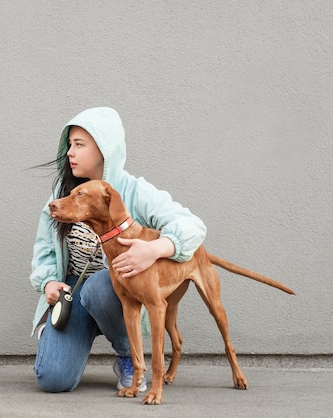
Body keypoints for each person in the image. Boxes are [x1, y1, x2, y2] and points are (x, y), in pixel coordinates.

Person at [30, 107, 207, 393]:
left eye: (79, 145)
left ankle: (129, 356)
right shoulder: (64, 194)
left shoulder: (134, 190)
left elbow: (193, 226)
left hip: (117, 288)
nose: (69, 154)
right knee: (53, 379)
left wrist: (156, 249)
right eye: (69, 145)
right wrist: (48, 281)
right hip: (74, 291)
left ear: (104, 149)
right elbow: (44, 249)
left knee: (101, 284)